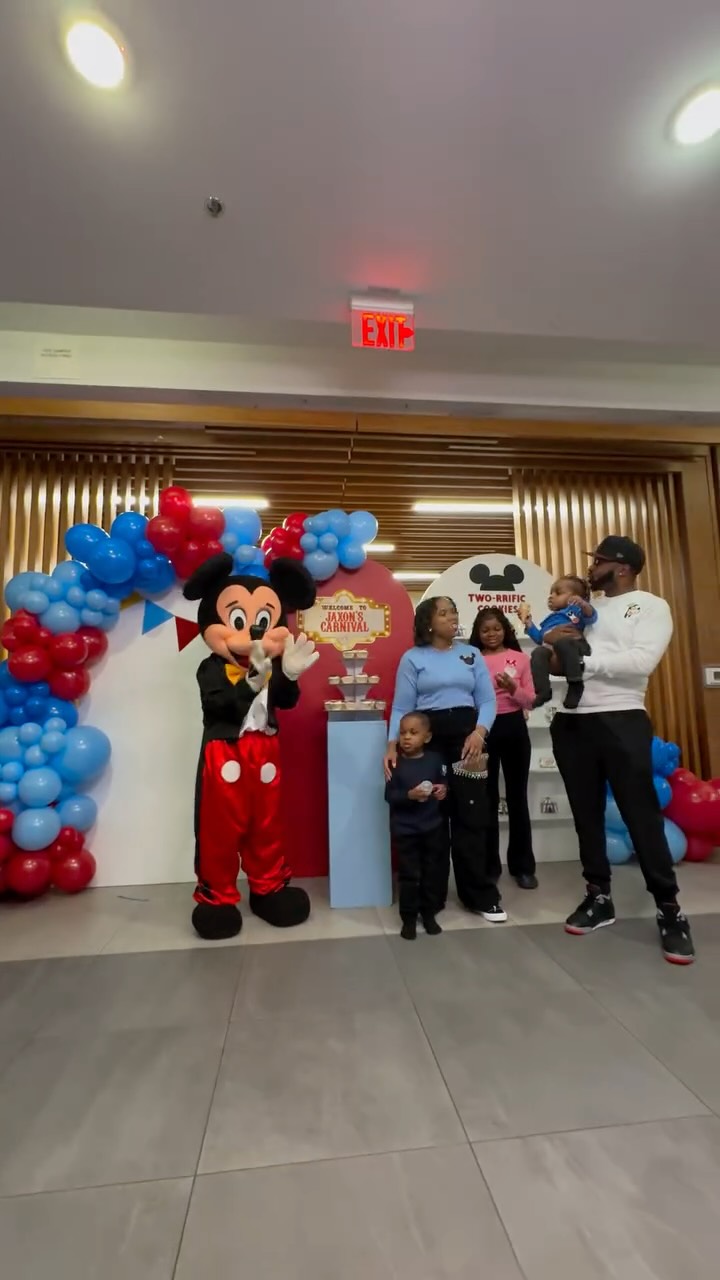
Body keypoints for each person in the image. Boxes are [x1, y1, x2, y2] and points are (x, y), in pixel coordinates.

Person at [549, 535, 695, 965]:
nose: (590, 568)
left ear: (623, 567)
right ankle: (599, 897)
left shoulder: (650, 606)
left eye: (598, 562)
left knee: (641, 814)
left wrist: (583, 664)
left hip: (622, 719)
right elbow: (560, 657)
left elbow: (640, 661)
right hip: (572, 723)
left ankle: (670, 910)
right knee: (586, 815)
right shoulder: (579, 607)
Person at [385, 597, 503, 920]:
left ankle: (479, 894)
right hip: (429, 745)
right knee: (432, 821)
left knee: (471, 819)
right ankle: (430, 898)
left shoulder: (472, 654)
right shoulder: (412, 659)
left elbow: (488, 702)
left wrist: (479, 733)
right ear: (428, 622)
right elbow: (401, 708)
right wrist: (392, 743)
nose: (452, 617)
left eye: (453, 611)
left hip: (469, 743)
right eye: (444, 612)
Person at [470, 607, 538, 890]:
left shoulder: (521, 658)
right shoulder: (470, 660)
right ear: (477, 634)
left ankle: (523, 866)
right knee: (486, 800)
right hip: (484, 731)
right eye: (485, 630)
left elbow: (530, 701)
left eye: (496, 628)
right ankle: (489, 866)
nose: (491, 634)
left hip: (514, 729)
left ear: (505, 629)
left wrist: (513, 688)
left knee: (517, 797)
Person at [385, 712, 447, 940]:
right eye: (402, 733)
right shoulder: (395, 763)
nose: (406, 738)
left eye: (413, 732)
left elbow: (444, 783)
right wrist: (409, 795)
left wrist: (443, 790)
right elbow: (389, 795)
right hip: (405, 831)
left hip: (432, 828)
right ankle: (408, 919)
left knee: (431, 873)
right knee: (409, 876)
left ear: (427, 737)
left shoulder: (436, 760)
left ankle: (429, 914)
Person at [518, 576, 598, 709]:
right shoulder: (550, 619)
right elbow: (540, 639)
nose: (551, 597)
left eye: (558, 593)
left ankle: (575, 684)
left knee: (563, 643)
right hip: (554, 650)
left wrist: (583, 604)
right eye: (551, 593)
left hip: (575, 647)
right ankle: (543, 691)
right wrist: (529, 624)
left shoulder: (574, 610)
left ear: (575, 597)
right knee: (538, 652)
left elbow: (591, 617)